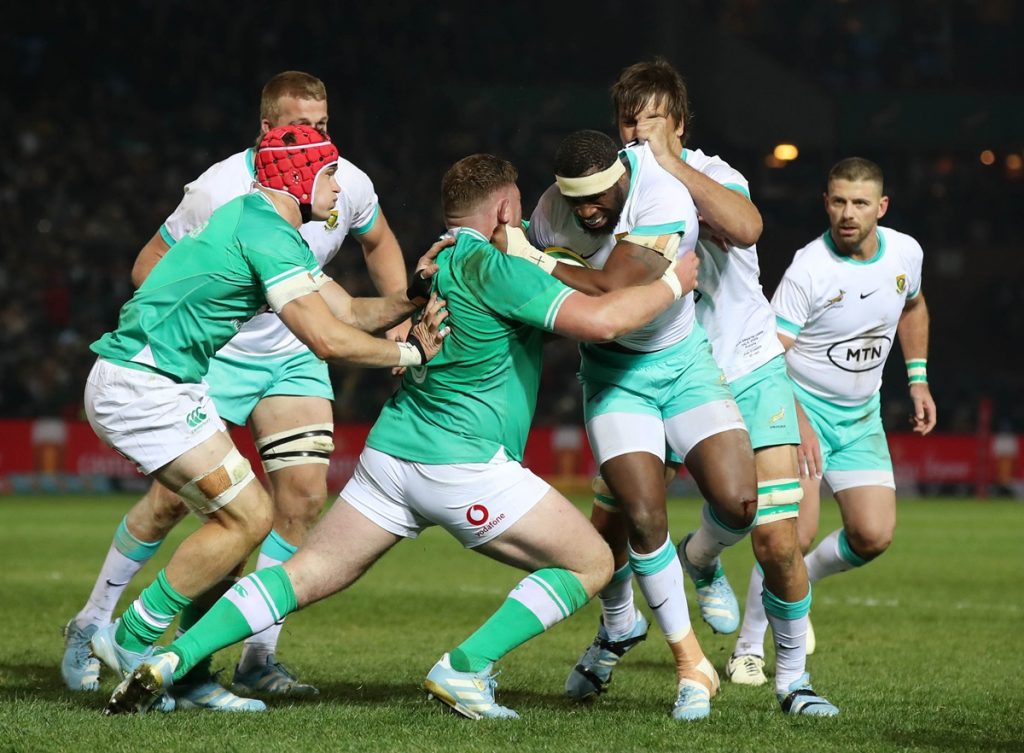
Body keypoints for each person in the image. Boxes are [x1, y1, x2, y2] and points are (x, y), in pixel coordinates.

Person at [101, 153, 701, 719]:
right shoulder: (496, 265)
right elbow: (599, 323)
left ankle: (173, 657)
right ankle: (466, 668)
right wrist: (674, 283)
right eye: (516, 206)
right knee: (591, 561)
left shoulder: (433, 261)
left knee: (300, 576)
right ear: (502, 209)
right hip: (463, 464)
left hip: (389, 459)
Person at [62, 71, 410, 704]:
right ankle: (118, 630)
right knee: (233, 517)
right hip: (165, 377)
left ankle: (203, 667)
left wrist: (416, 302)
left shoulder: (278, 217)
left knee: (269, 511)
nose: (342, 182)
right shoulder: (228, 197)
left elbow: (347, 311)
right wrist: (410, 354)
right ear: (291, 160)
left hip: (193, 373)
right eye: (325, 165)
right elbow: (330, 337)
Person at [564, 59, 836, 716]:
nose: (638, 133)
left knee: (774, 537)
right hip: (648, 367)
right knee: (613, 528)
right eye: (629, 122)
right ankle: (612, 632)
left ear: (680, 124)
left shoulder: (714, 175)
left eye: (652, 121)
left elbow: (746, 227)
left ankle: (790, 676)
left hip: (741, 365)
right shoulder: (614, 193)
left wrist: (671, 166)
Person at [524, 130, 757, 720]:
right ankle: (690, 666)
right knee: (641, 516)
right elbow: (525, 292)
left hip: (683, 364)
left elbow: (613, 289)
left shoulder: (664, 197)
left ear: (622, 172)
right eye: (576, 200)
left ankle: (698, 559)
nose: (588, 211)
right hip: (612, 376)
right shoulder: (551, 211)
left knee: (739, 504)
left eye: (599, 197)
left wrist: (530, 259)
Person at [729, 157, 936, 680]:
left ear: (881, 208)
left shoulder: (906, 252)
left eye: (860, 203)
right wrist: (795, 421)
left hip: (862, 417)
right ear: (826, 202)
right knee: (791, 538)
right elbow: (767, 354)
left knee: (872, 535)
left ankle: (804, 583)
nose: (848, 213)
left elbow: (913, 307)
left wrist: (918, 378)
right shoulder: (809, 268)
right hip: (803, 411)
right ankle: (750, 646)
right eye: (839, 201)